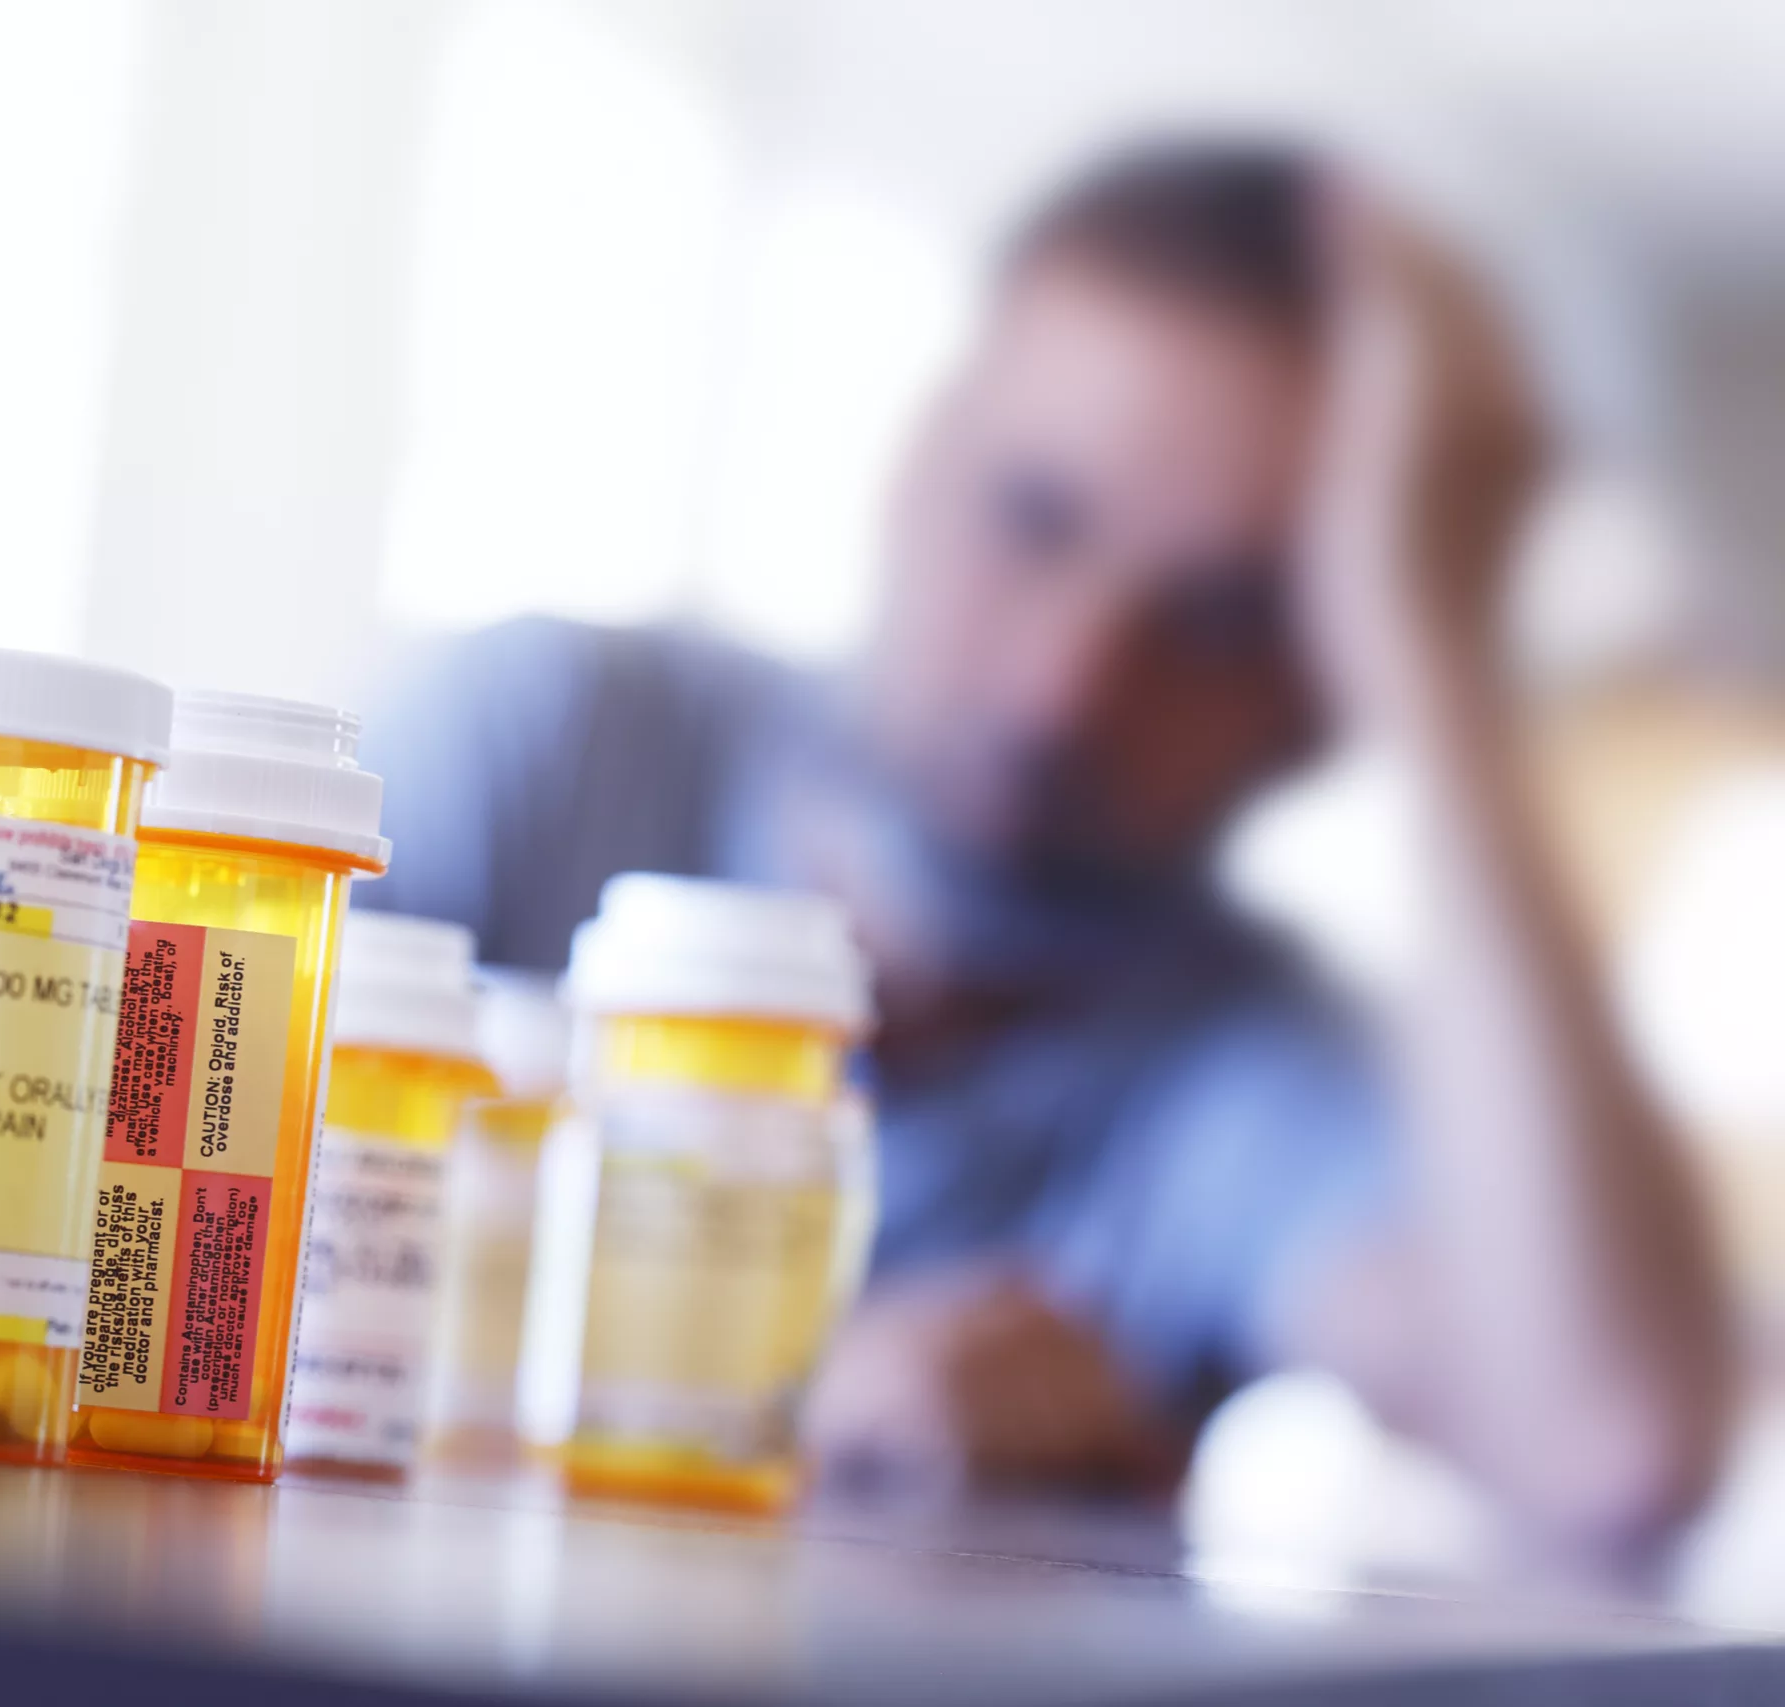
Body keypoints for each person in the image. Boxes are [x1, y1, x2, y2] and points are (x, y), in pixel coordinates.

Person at [361, 139, 1733, 1547]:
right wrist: (770, 1407)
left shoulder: (1237, 1071)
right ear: (914, 462)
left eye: (1217, 620)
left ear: (1319, 701)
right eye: (1036, 516)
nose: (1065, 685)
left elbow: (1611, 1447)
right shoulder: (558, 742)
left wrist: (1436, 656)